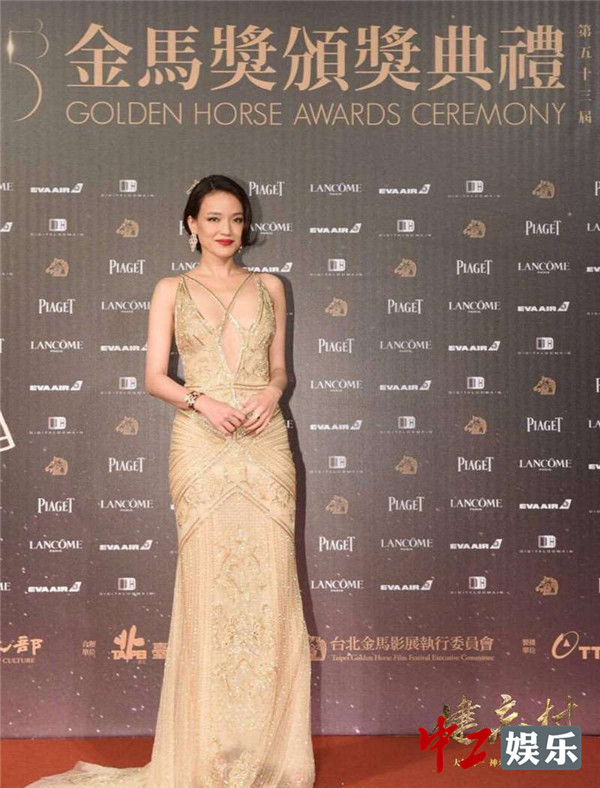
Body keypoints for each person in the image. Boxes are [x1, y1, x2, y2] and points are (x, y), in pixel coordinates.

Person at [25, 175, 316, 787]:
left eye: (236, 219)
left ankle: (269, 756)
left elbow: (280, 370)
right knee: (209, 590)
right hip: (202, 443)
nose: (226, 230)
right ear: (191, 225)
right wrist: (203, 403)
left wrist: (270, 393)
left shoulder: (270, 286)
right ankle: (206, 756)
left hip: (264, 441)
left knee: (269, 592)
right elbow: (155, 377)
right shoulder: (170, 290)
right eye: (213, 219)